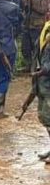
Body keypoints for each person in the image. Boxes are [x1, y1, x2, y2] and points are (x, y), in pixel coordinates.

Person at [21, 0, 50, 72]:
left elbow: (43, 9)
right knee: (26, 47)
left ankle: (39, 67)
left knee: (37, 47)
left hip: (38, 25)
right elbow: (21, 4)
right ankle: (29, 66)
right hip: (27, 24)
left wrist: (32, 3)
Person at [33, 25, 50, 163]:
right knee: (45, 118)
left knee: (48, 119)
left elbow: (47, 67)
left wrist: (38, 72)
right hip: (43, 86)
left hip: (47, 85)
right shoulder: (45, 28)